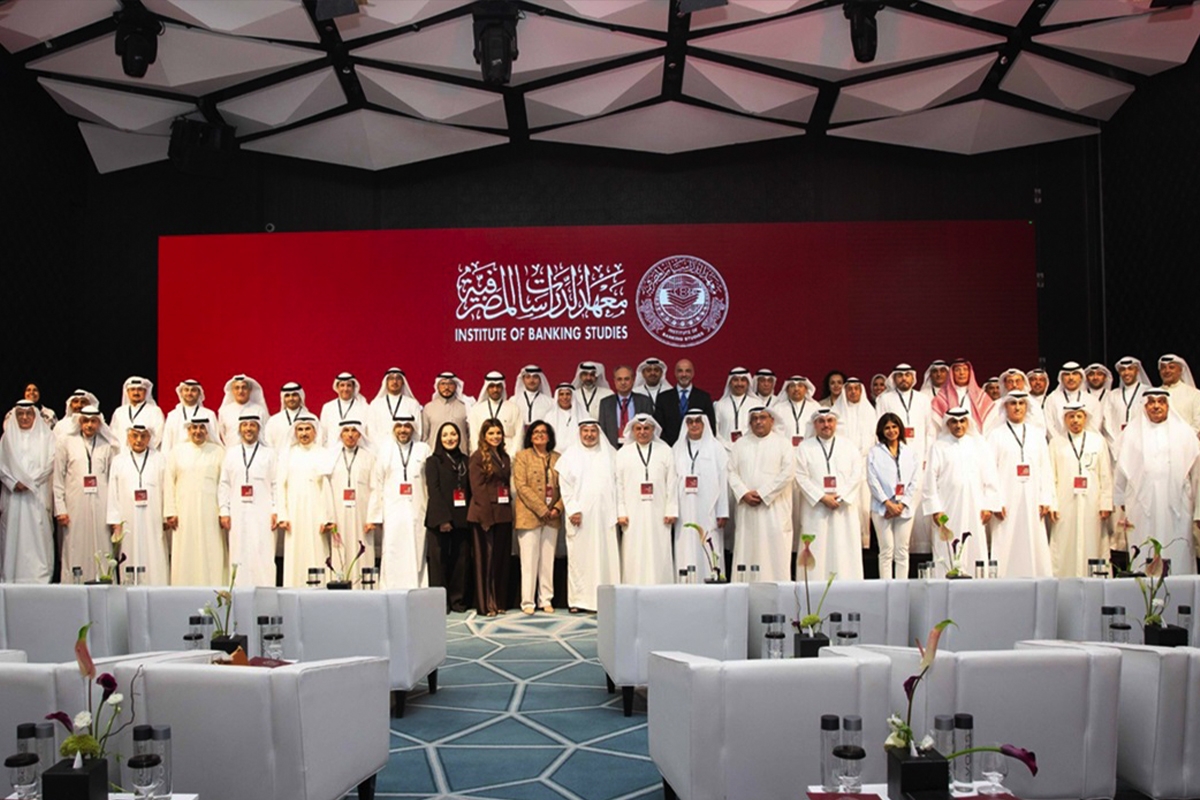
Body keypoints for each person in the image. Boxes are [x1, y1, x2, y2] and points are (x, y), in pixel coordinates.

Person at [1114, 389, 1200, 574]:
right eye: (1151, 402)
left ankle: (1178, 589)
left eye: (1161, 402)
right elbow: (1121, 471)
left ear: (1168, 405)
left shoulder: (1185, 433)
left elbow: (1196, 474)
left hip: (1177, 507)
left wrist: (1198, 510)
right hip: (1141, 506)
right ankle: (1143, 590)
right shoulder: (1131, 433)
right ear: (1144, 406)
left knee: (1177, 550)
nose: (1156, 406)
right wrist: (1120, 499)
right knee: (1143, 549)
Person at [923, 408, 999, 577]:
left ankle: (977, 584)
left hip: (975, 507)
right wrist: (935, 509)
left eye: (962, 421)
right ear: (948, 424)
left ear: (968, 422)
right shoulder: (938, 447)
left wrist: (989, 505)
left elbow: (990, 476)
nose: (958, 425)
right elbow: (930, 480)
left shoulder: (979, 445)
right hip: (947, 508)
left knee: (974, 544)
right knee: (947, 544)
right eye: (954, 422)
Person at [876, 364, 937, 575]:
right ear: (894, 378)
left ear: (913, 377)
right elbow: (879, 429)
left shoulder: (923, 399)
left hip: (918, 461)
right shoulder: (885, 399)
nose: (904, 378)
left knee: (916, 508)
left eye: (907, 375)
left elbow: (929, 431)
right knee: (888, 547)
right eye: (900, 375)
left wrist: (926, 458)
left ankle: (921, 550)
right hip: (889, 462)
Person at [986, 392, 1055, 578]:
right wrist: (994, 502)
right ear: (1005, 407)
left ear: (1027, 407)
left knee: (1034, 541)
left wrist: (1045, 498)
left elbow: (1045, 468)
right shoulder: (995, 435)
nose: (1017, 407)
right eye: (1013, 403)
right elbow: (989, 471)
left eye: (1021, 403)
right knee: (1005, 540)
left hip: (1033, 498)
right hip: (1005, 499)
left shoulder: (1037, 435)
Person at [557, 420, 621, 612]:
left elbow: (619, 485)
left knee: (606, 558)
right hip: (580, 517)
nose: (589, 435)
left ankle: (607, 600)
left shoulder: (611, 455)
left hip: (605, 517)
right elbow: (565, 488)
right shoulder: (569, 456)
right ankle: (579, 600)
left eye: (593, 431)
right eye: (585, 431)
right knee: (580, 559)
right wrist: (573, 509)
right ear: (579, 433)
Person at [795, 407, 865, 580]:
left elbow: (856, 474)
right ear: (815, 425)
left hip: (843, 509)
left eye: (829, 421)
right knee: (817, 548)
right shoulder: (804, 447)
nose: (826, 425)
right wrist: (822, 497)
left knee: (844, 549)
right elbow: (800, 476)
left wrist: (841, 497)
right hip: (816, 509)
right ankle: (814, 589)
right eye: (821, 421)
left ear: (836, 423)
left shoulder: (849, 446)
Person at [728, 407, 793, 581]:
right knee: (747, 549)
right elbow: (731, 472)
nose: (758, 422)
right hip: (747, 509)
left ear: (772, 421)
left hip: (774, 509)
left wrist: (763, 494)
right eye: (755, 418)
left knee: (774, 553)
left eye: (763, 417)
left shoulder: (783, 444)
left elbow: (788, 473)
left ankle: (777, 591)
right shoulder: (740, 444)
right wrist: (743, 493)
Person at [1048, 403, 1113, 577]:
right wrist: (1052, 504)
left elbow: (1105, 474)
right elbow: (1051, 477)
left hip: (1092, 503)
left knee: (1093, 541)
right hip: (1065, 503)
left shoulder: (1098, 441)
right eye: (1071, 416)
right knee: (1064, 543)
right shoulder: (1056, 443)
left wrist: (1106, 503)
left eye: (1079, 416)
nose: (1075, 420)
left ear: (1085, 418)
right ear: (1065, 419)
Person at [53, 405, 117, 582]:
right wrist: (60, 509)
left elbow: (112, 480)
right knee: (75, 545)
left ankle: (104, 582)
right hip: (74, 504)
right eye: (86, 421)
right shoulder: (66, 442)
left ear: (99, 423)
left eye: (93, 421)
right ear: (79, 422)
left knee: (102, 545)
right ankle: (74, 586)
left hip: (101, 504)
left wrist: (113, 514)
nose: (89, 425)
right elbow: (58, 478)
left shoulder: (106, 445)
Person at [370, 415, 432, 589]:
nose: (403, 430)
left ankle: (417, 589)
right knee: (392, 550)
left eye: (407, 426)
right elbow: (377, 484)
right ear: (393, 428)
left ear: (413, 428)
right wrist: (376, 516)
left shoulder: (423, 449)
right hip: (392, 512)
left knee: (416, 549)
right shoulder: (385, 450)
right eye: (399, 426)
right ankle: (391, 588)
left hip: (418, 509)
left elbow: (430, 482)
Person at [615, 414, 678, 585]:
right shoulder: (623, 453)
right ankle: (633, 589)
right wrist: (621, 512)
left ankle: (660, 589)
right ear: (632, 430)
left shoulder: (665, 451)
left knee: (659, 549)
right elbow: (618, 485)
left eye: (646, 428)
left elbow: (672, 482)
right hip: (632, 513)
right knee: (634, 551)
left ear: (653, 430)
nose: (642, 432)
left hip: (659, 511)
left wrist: (671, 510)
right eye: (638, 428)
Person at [164, 417, 226, 586]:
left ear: (207, 430)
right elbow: (169, 482)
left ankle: (213, 589)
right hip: (184, 512)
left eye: (201, 428)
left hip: (211, 512)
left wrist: (223, 512)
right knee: (185, 551)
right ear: (188, 430)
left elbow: (224, 485)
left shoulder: (218, 452)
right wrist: (170, 511)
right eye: (194, 428)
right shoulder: (177, 452)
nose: (197, 431)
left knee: (211, 549)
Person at [217, 414, 277, 587]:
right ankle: (238, 591)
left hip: (263, 512)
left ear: (258, 428)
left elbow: (276, 484)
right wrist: (224, 511)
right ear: (240, 429)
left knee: (262, 551)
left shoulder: (269, 454)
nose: (248, 429)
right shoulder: (231, 454)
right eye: (245, 425)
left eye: (252, 425)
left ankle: (265, 591)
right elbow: (224, 484)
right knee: (239, 551)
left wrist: (276, 510)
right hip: (237, 512)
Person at [276, 415, 335, 587]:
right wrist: (282, 515)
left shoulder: (323, 453)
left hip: (316, 510)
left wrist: (327, 517)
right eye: (300, 429)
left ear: (315, 431)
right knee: (295, 552)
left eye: (308, 429)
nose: (304, 433)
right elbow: (280, 485)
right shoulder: (288, 454)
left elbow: (326, 488)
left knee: (317, 550)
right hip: (293, 512)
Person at [106, 424, 169, 585]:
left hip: (153, 516)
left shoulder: (159, 459)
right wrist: (115, 521)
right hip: (128, 518)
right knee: (129, 551)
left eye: (143, 436)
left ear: (149, 438)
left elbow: (166, 489)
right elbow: (113, 493)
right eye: (135, 436)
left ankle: (157, 588)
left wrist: (166, 516)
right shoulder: (119, 461)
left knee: (155, 552)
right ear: (128, 437)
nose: (139, 440)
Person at [0, 400, 56, 582]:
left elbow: (50, 463)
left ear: (35, 416)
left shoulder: (46, 436)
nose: (24, 418)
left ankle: (39, 579)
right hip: (14, 497)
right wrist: (14, 482)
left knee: (38, 536)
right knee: (12, 539)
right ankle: (11, 578)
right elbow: (1, 465)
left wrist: (30, 482)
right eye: (20, 414)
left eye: (28, 414)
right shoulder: (7, 437)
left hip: (36, 495)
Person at [672, 410, 728, 581]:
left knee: (709, 545)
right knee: (685, 545)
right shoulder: (677, 448)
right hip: (684, 509)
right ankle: (685, 584)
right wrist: (672, 510)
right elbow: (671, 482)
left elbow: (723, 480)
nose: (694, 425)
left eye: (698, 421)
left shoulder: (716, 448)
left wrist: (722, 511)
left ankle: (711, 581)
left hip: (709, 508)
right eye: (690, 422)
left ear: (704, 424)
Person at [513, 421, 562, 612]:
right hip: (529, 515)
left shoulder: (558, 458)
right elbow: (521, 486)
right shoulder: (522, 457)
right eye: (535, 432)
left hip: (553, 516)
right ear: (530, 437)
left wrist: (557, 508)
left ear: (549, 437)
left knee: (547, 560)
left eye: (543, 432)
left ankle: (546, 600)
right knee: (529, 561)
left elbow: (566, 487)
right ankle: (528, 602)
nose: (540, 435)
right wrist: (542, 509)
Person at [423, 421, 471, 611]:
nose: (450, 438)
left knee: (461, 561)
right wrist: (443, 519)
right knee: (439, 562)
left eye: (453, 434)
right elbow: (433, 491)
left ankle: (457, 600)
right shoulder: (433, 461)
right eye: (445, 435)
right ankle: (440, 602)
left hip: (462, 518)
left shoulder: (466, 460)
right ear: (439, 438)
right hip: (439, 518)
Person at [468, 419, 514, 616]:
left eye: (498, 433)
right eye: (491, 433)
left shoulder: (505, 456)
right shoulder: (477, 457)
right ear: (484, 436)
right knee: (485, 562)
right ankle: (486, 605)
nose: (495, 437)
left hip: (503, 513)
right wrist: (486, 518)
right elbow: (477, 489)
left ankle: (500, 602)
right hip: (484, 515)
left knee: (500, 560)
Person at [868, 413, 920, 580]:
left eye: (894, 427)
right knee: (886, 550)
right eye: (887, 428)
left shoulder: (910, 452)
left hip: (904, 508)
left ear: (900, 428)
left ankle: (901, 587)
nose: (891, 431)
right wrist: (888, 503)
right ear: (881, 431)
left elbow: (915, 480)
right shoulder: (874, 452)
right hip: (881, 508)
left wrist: (902, 504)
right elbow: (872, 480)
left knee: (902, 551)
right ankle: (886, 587)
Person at [328, 419, 375, 586]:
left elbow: (375, 488)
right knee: (339, 551)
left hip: (362, 515)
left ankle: (365, 590)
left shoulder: (369, 458)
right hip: (338, 514)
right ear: (340, 434)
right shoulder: (331, 458)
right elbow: (326, 489)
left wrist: (372, 518)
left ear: (360, 434)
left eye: (354, 431)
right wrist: (329, 517)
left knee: (363, 552)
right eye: (346, 431)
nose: (350, 435)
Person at [833, 377, 876, 542]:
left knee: (864, 506)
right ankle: (846, 541)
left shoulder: (870, 411)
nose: (852, 392)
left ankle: (864, 542)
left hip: (865, 465)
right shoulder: (836, 412)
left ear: (861, 391)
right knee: (848, 505)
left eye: (856, 388)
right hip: (843, 466)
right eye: (849, 389)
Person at [654, 358, 716, 445]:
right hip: (669, 447)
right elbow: (658, 427)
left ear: (693, 373)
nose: (684, 374)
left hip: (697, 447)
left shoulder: (703, 398)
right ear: (675, 373)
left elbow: (710, 427)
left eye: (688, 371)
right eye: (680, 371)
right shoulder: (663, 398)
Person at [931, 358, 994, 434]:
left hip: (975, 437)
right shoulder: (943, 396)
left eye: (965, 369)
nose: (962, 373)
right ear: (952, 373)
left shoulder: (980, 396)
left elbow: (990, 421)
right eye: (957, 370)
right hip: (949, 438)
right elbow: (936, 424)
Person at [467, 371, 523, 454]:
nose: (495, 390)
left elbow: (519, 435)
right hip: (483, 454)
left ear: (503, 387)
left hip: (508, 453)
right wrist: (480, 456)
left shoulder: (514, 408)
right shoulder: (476, 409)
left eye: (498, 386)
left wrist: (512, 457)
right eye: (491, 386)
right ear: (486, 388)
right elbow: (474, 437)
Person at [599, 365, 654, 449]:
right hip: (612, 448)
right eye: (619, 379)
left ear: (633, 380)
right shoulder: (605, 403)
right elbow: (602, 430)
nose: (623, 382)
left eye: (626, 379)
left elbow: (650, 428)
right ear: (614, 381)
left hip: (638, 447)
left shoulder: (644, 401)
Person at [1044, 362, 1102, 440]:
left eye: (1075, 374)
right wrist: (1060, 442)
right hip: (1060, 444)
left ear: (1081, 377)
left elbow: (1095, 426)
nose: (1071, 378)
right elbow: (1049, 425)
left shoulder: (1092, 400)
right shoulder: (1052, 399)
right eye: (1067, 374)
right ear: (1061, 378)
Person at [1102, 356, 1151, 445]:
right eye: (1123, 370)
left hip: (1142, 443)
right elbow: (1107, 421)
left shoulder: (1147, 392)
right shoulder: (1112, 395)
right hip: (1117, 444)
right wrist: (1115, 443)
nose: (1126, 373)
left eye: (1130, 369)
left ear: (1137, 370)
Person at [368, 368, 423, 445]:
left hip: (406, 447)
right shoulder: (375, 404)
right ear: (386, 382)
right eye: (391, 378)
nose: (394, 381)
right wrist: (382, 447)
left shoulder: (413, 404)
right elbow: (371, 431)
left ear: (403, 382)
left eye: (398, 378)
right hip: (380, 448)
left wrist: (407, 447)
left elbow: (418, 430)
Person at [162, 379, 219, 453]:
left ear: (199, 393)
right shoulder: (173, 415)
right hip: (177, 457)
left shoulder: (209, 414)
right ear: (181, 393)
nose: (189, 393)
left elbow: (214, 440)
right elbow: (167, 443)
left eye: (193, 390)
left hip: (203, 456)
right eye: (186, 390)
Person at [110, 376, 165, 451]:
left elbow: (158, 436)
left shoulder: (155, 411)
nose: (136, 393)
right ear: (127, 392)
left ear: (145, 392)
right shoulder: (119, 412)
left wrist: (141, 450)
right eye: (132, 389)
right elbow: (113, 436)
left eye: (140, 389)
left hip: (147, 454)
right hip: (122, 454)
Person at [423, 372, 470, 454]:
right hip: (436, 457)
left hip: (461, 456)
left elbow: (470, 435)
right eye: (443, 384)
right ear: (437, 386)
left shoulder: (465, 407)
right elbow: (424, 436)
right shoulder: (429, 408)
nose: (446, 387)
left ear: (456, 386)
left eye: (450, 384)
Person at [266, 382, 319, 451]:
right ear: (283, 398)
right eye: (287, 396)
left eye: (294, 395)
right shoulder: (274, 420)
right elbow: (268, 444)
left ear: (300, 397)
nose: (291, 398)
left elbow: (318, 442)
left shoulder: (312, 418)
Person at [218, 374, 268, 446]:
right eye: (237, 388)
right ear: (232, 390)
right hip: (230, 450)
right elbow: (223, 434)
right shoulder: (224, 411)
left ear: (250, 390)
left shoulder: (259, 410)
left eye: (244, 387)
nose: (240, 391)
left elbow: (265, 434)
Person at [320, 372, 366, 446]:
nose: (345, 389)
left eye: (349, 385)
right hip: (332, 450)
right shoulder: (328, 407)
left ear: (353, 388)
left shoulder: (363, 407)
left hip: (355, 450)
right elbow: (323, 434)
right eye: (342, 385)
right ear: (337, 387)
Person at [1157, 353, 1200, 431]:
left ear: (1180, 370)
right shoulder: (1153, 394)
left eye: (1171, 367)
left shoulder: (1195, 394)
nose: (1167, 371)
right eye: (1163, 368)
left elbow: (1197, 425)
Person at [771, 375, 817, 447]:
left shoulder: (815, 407)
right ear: (787, 390)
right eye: (792, 386)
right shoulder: (778, 408)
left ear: (806, 389)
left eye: (800, 386)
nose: (796, 389)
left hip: (810, 448)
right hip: (784, 448)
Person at [512, 365, 555, 440]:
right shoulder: (513, 400)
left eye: (535, 377)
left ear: (540, 379)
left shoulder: (550, 402)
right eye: (528, 377)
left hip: (541, 440)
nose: (531, 380)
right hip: (519, 439)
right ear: (523, 380)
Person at [715, 367, 754, 444]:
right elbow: (716, 431)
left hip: (750, 447)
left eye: (743, 380)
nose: (739, 384)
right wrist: (726, 446)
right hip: (725, 448)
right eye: (735, 380)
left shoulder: (756, 404)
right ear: (730, 382)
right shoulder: (719, 405)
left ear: (748, 383)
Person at [546, 383, 579, 453]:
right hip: (554, 454)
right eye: (561, 394)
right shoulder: (549, 416)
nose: (565, 397)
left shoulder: (583, 414)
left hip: (577, 454)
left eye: (568, 394)